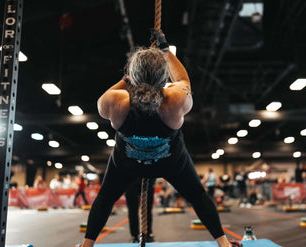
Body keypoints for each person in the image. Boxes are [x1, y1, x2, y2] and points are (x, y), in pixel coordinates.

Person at [76, 30, 242, 247]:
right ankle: (223, 244)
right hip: (171, 163)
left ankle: (87, 246)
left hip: (127, 164)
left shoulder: (115, 101)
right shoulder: (175, 99)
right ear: (163, 78)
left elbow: (101, 103)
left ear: (133, 76)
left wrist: (127, 79)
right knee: (197, 195)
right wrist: (165, 51)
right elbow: (182, 79)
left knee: (105, 199)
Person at [124, 178, 156, 243]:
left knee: (148, 208)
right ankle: (134, 235)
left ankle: (148, 233)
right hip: (130, 178)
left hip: (148, 178)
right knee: (132, 210)